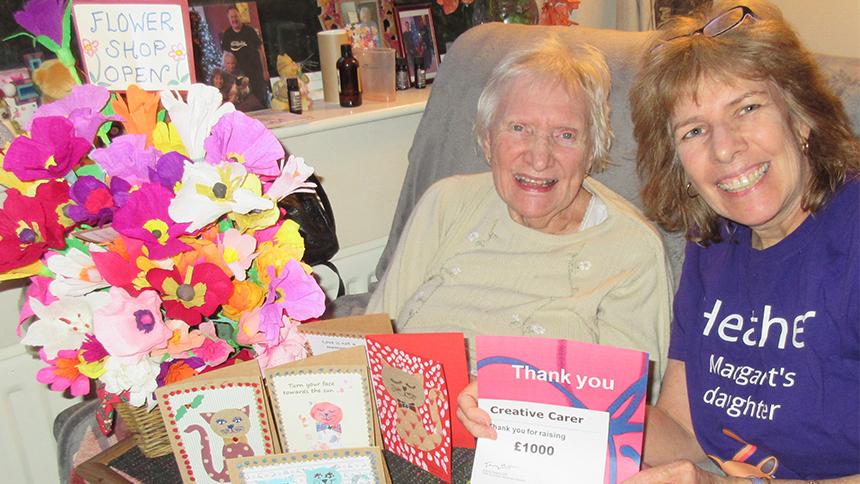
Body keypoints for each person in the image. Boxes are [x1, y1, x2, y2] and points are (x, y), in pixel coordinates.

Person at [624, 1, 860, 481]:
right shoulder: (713, 242)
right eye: (693, 131)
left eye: (747, 108)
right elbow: (684, 432)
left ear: (800, 117)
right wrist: (540, 403)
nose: (724, 148)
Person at [367, 38, 673, 403]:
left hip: (528, 446)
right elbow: (371, 339)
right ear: (486, 138)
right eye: (519, 128)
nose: (539, 157)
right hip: (407, 424)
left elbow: (626, 409)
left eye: (565, 135)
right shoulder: (446, 203)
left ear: (592, 150)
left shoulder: (630, 249)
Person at [220, 5, 269, 108]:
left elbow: (261, 51)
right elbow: (225, 56)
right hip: (237, 75)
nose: (234, 19)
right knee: (243, 103)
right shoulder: (227, 35)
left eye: (236, 16)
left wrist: (265, 70)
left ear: (240, 16)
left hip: (255, 72)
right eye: (231, 17)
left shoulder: (250, 31)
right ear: (229, 19)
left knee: (260, 100)